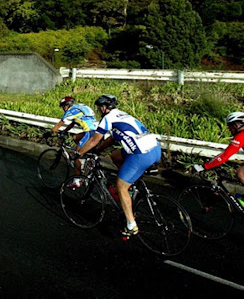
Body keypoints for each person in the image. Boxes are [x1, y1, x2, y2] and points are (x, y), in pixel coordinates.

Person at [76, 94, 161, 238]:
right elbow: (111, 139)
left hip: (141, 155)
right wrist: (98, 151)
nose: (99, 110)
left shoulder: (107, 119)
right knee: (115, 156)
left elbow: (94, 140)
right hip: (155, 149)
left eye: (99, 108)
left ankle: (130, 225)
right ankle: (131, 187)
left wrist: (79, 154)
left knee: (121, 185)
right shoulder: (122, 115)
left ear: (103, 108)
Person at [44, 96, 98, 173]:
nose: (63, 109)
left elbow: (58, 125)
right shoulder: (78, 107)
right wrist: (65, 131)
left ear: (66, 106)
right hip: (97, 132)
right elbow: (73, 123)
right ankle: (84, 158)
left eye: (63, 107)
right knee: (75, 137)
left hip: (89, 133)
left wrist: (49, 133)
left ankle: (77, 180)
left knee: (75, 155)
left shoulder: (69, 111)